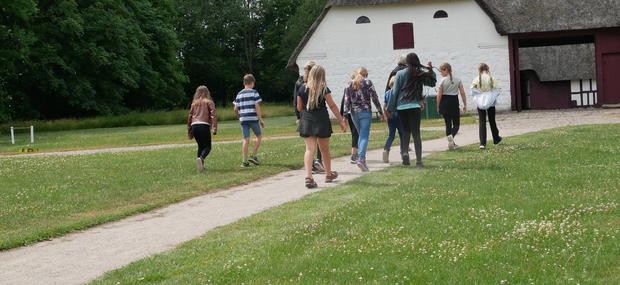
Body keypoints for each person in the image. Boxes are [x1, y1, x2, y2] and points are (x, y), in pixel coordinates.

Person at [297, 65, 347, 188]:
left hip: (307, 121)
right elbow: (333, 106)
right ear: (322, 76)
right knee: (324, 150)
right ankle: (328, 174)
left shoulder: (302, 89)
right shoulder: (324, 89)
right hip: (322, 121)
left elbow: (299, 107)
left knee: (309, 150)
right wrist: (341, 121)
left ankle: (309, 177)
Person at [387, 53, 437, 168]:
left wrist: (390, 108)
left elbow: (394, 92)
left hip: (401, 107)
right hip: (414, 106)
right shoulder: (419, 73)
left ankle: (404, 153)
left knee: (405, 131)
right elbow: (432, 82)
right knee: (416, 133)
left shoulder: (400, 74)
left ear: (407, 62)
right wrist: (430, 69)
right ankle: (419, 162)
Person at [343, 67, 384, 171]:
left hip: (354, 114)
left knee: (361, 135)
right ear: (365, 74)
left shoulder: (349, 84)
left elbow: (346, 101)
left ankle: (362, 159)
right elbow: (375, 97)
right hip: (365, 112)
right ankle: (361, 159)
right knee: (364, 136)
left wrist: (344, 116)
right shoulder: (368, 82)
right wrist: (380, 112)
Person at [294, 61, 324, 173]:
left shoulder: (300, 82)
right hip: (312, 115)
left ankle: (315, 164)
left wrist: (298, 115)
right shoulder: (301, 83)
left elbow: (297, 104)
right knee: (318, 139)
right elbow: (296, 101)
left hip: (305, 116)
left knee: (310, 144)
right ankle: (316, 163)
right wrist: (298, 116)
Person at [233, 74, 265, 167]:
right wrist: (261, 119)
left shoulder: (239, 94)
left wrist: (239, 116)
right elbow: (257, 106)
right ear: (252, 83)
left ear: (244, 83)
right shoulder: (254, 92)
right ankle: (253, 156)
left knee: (246, 140)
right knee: (259, 136)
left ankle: (244, 162)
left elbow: (235, 108)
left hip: (243, 119)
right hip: (253, 118)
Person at [471, 63, 502, 149]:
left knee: (482, 122)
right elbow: (498, 90)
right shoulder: (491, 78)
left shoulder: (476, 79)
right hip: (491, 102)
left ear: (479, 70)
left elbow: (472, 90)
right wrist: (491, 96)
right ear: (487, 69)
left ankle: (482, 143)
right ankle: (496, 139)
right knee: (492, 121)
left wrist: (479, 96)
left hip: (480, 102)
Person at [187, 85, 218, 172]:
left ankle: (200, 167)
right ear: (207, 93)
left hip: (194, 126)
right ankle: (201, 158)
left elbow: (190, 116)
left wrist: (189, 130)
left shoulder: (194, 103)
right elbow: (213, 115)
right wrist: (214, 127)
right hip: (203, 125)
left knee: (200, 146)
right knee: (207, 147)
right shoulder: (209, 102)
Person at [437, 62, 467, 150]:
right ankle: (452, 139)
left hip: (444, 102)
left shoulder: (442, 81)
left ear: (446, 69)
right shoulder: (458, 80)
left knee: (448, 124)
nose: (440, 73)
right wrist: (465, 104)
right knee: (456, 123)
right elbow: (462, 92)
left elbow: (439, 95)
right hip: (454, 101)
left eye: (441, 71)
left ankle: (450, 139)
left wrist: (438, 106)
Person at [382, 76, 403, 163]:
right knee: (402, 134)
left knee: (391, 135)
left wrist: (387, 115)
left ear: (390, 85)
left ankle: (386, 150)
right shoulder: (400, 93)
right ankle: (403, 152)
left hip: (390, 115)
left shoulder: (387, 93)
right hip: (399, 115)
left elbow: (384, 107)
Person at [341, 72, 360, 164]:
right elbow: (344, 101)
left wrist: (343, 115)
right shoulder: (357, 87)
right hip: (353, 112)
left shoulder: (347, 87)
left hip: (349, 112)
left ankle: (356, 153)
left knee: (355, 133)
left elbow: (343, 102)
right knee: (356, 133)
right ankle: (354, 154)